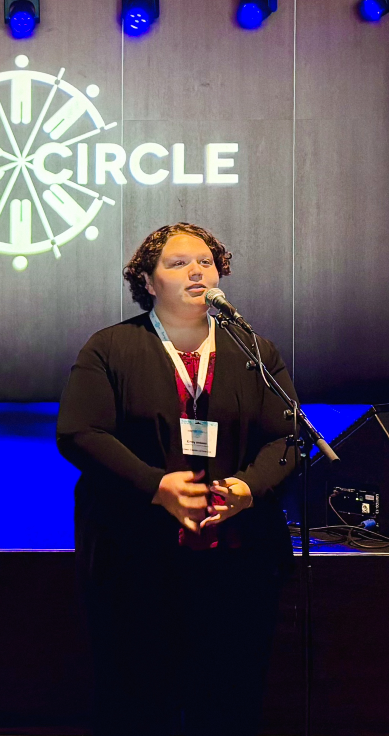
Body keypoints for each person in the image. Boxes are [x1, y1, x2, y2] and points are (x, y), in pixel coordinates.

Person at [57, 222, 298, 736]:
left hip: (236, 559)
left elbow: (287, 437)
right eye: (177, 263)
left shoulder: (255, 351)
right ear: (147, 282)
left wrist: (249, 488)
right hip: (136, 559)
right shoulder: (110, 347)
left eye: (206, 262)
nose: (196, 271)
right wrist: (156, 486)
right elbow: (81, 432)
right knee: (137, 699)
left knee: (230, 698)